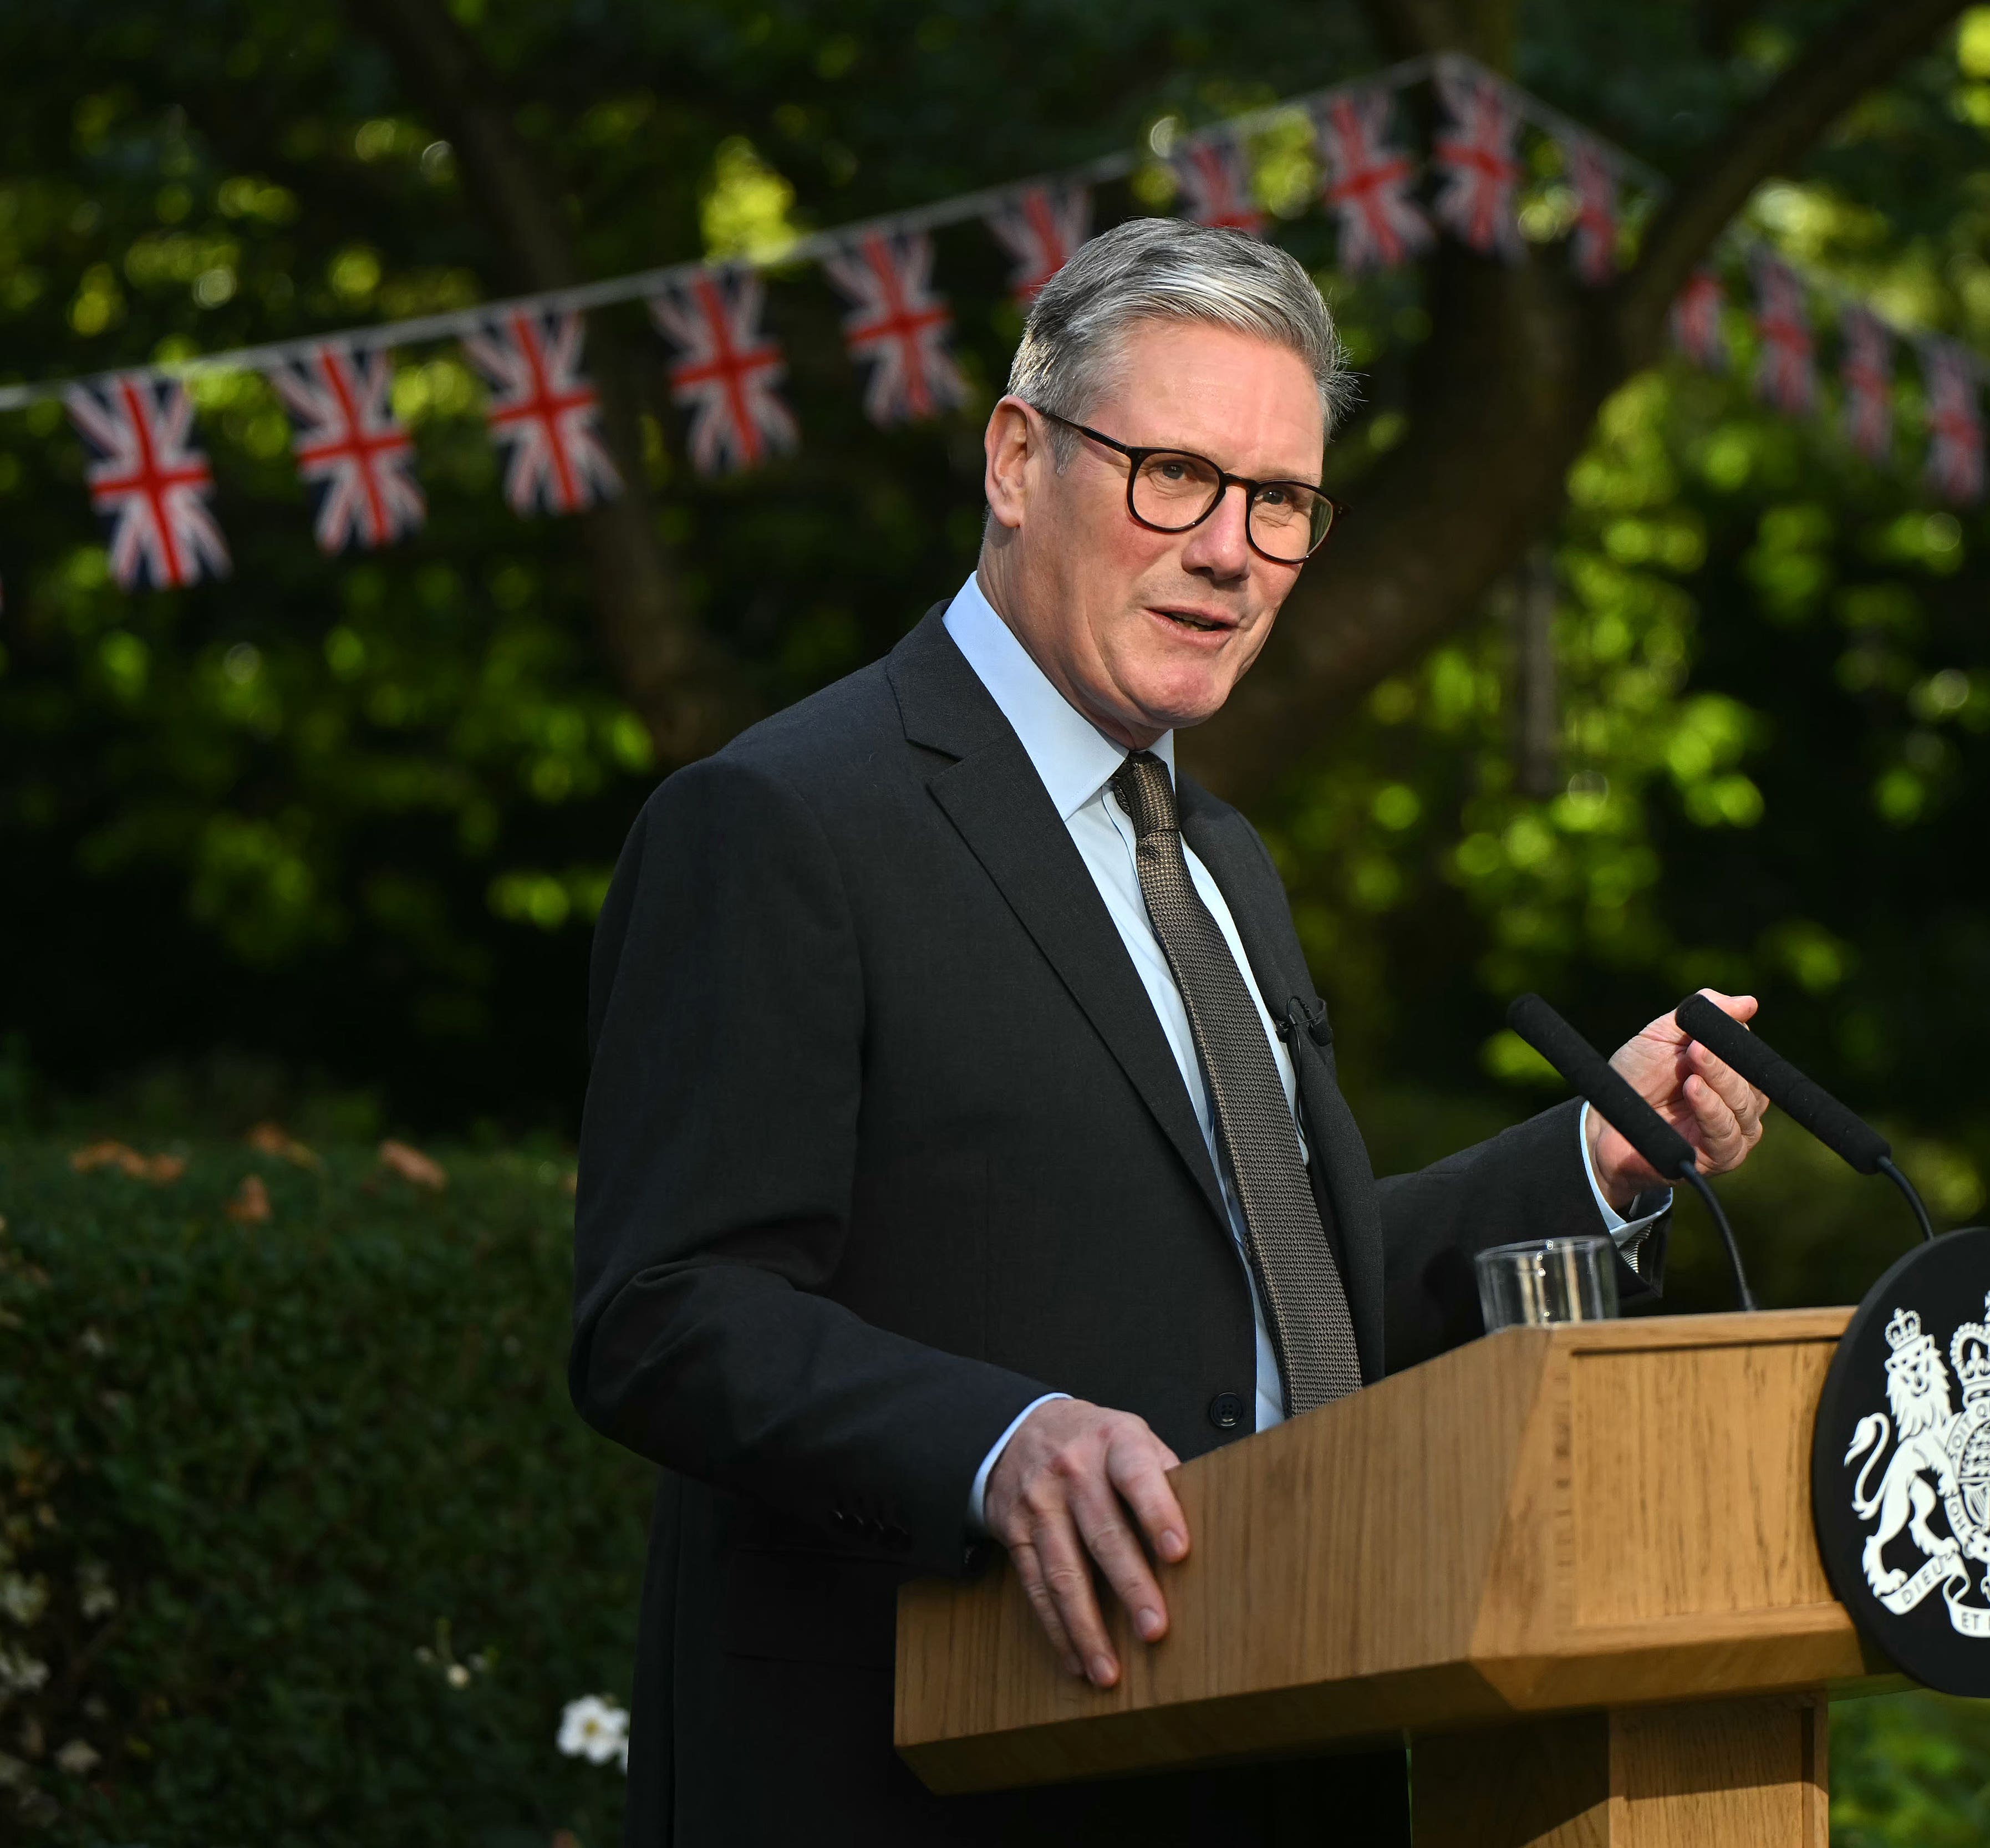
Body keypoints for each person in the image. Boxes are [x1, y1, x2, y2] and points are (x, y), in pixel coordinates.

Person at [571, 217, 1768, 1847]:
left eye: (1280, 502)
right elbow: (663, 1310)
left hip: (1278, 1758)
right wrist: (994, 1445)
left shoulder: (1218, 861)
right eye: (1175, 475)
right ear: (1015, 458)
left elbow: (1285, 1320)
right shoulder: (783, 822)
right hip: (926, 1782)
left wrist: (1591, 1155)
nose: (1231, 548)